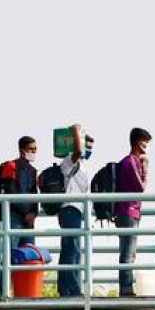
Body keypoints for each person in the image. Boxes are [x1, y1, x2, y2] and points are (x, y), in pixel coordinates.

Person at [0, 136, 39, 294]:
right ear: (22, 149)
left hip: (29, 221)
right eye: (31, 149)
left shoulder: (33, 171)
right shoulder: (11, 167)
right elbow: (10, 192)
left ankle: (26, 292)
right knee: (9, 256)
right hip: (15, 218)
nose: (34, 152)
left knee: (29, 256)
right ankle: (4, 292)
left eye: (35, 149)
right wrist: (26, 213)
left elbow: (35, 195)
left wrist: (33, 213)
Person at [56, 124, 94, 297]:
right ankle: (73, 288)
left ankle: (65, 288)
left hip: (77, 210)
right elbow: (78, 150)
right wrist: (75, 132)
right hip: (69, 208)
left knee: (71, 249)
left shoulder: (84, 165)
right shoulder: (71, 159)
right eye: (87, 144)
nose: (89, 148)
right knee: (72, 249)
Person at [115, 127, 151, 297]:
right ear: (138, 142)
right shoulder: (130, 162)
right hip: (127, 210)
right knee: (127, 252)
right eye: (146, 142)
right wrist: (145, 168)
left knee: (130, 252)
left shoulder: (133, 161)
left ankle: (127, 287)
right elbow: (140, 187)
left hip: (132, 211)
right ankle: (126, 288)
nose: (147, 146)